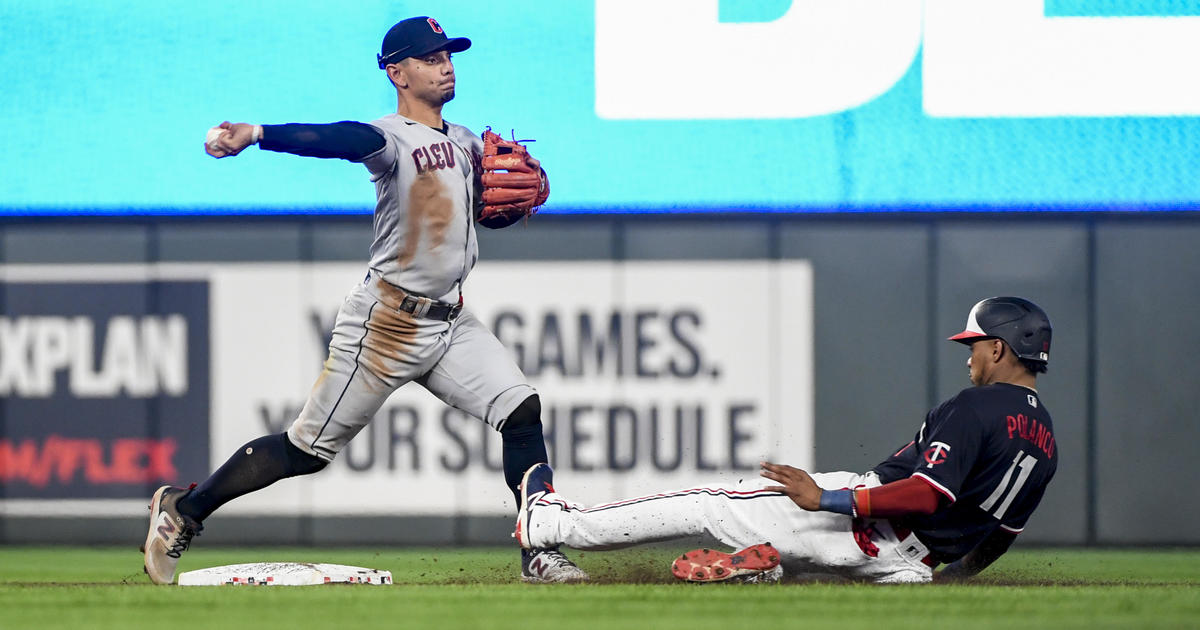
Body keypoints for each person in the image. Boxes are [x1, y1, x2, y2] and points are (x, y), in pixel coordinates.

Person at [142, 16, 586, 585]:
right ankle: (185, 508)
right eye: (429, 57)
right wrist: (257, 132)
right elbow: (339, 139)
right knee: (306, 450)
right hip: (387, 325)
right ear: (396, 72)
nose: (445, 64)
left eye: (448, 54)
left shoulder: (469, 141)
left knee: (521, 410)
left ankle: (540, 550)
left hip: (451, 321)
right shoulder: (390, 137)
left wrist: (499, 209)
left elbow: (471, 221)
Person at [515, 297, 1057, 584]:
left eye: (976, 344)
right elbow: (1001, 534)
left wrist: (830, 499)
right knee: (806, 566)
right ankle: (768, 566)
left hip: (862, 523)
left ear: (1001, 349)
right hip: (907, 570)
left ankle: (550, 522)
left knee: (710, 504)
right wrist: (949, 579)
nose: (969, 355)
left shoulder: (976, 407)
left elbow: (927, 494)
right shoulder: (1046, 442)